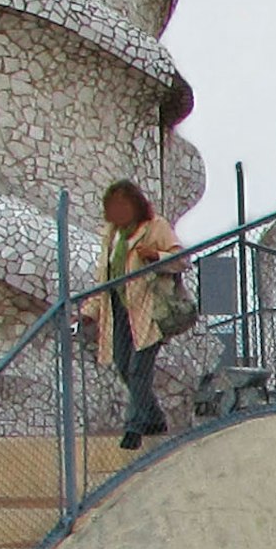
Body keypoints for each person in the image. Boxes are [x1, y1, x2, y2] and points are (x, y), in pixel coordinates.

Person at [86, 179, 188, 451]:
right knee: (122, 362)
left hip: (148, 310)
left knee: (138, 368)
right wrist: (89, 312)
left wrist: (155, 255)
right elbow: (103, 277)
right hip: (119, 310)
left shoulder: (156, 227)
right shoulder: (112, 234)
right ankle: (154, 417)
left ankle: (134, 427)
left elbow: (182, 260)